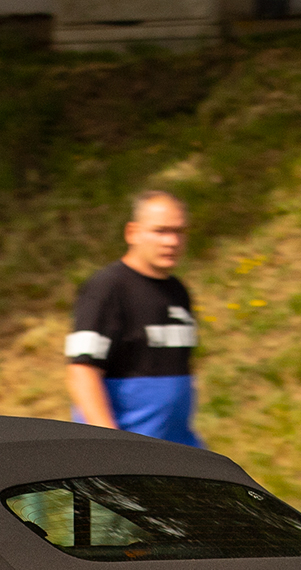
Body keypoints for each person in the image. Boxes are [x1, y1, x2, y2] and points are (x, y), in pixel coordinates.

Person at [64, 190, 203, 447]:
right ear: (133, 233)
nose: (172, 241)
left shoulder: (178, 291)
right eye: (160, 231)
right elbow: (82, 373)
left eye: (179, 231)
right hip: (129, 457)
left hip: (178, 448)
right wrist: (113, 445)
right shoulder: (106, 289)